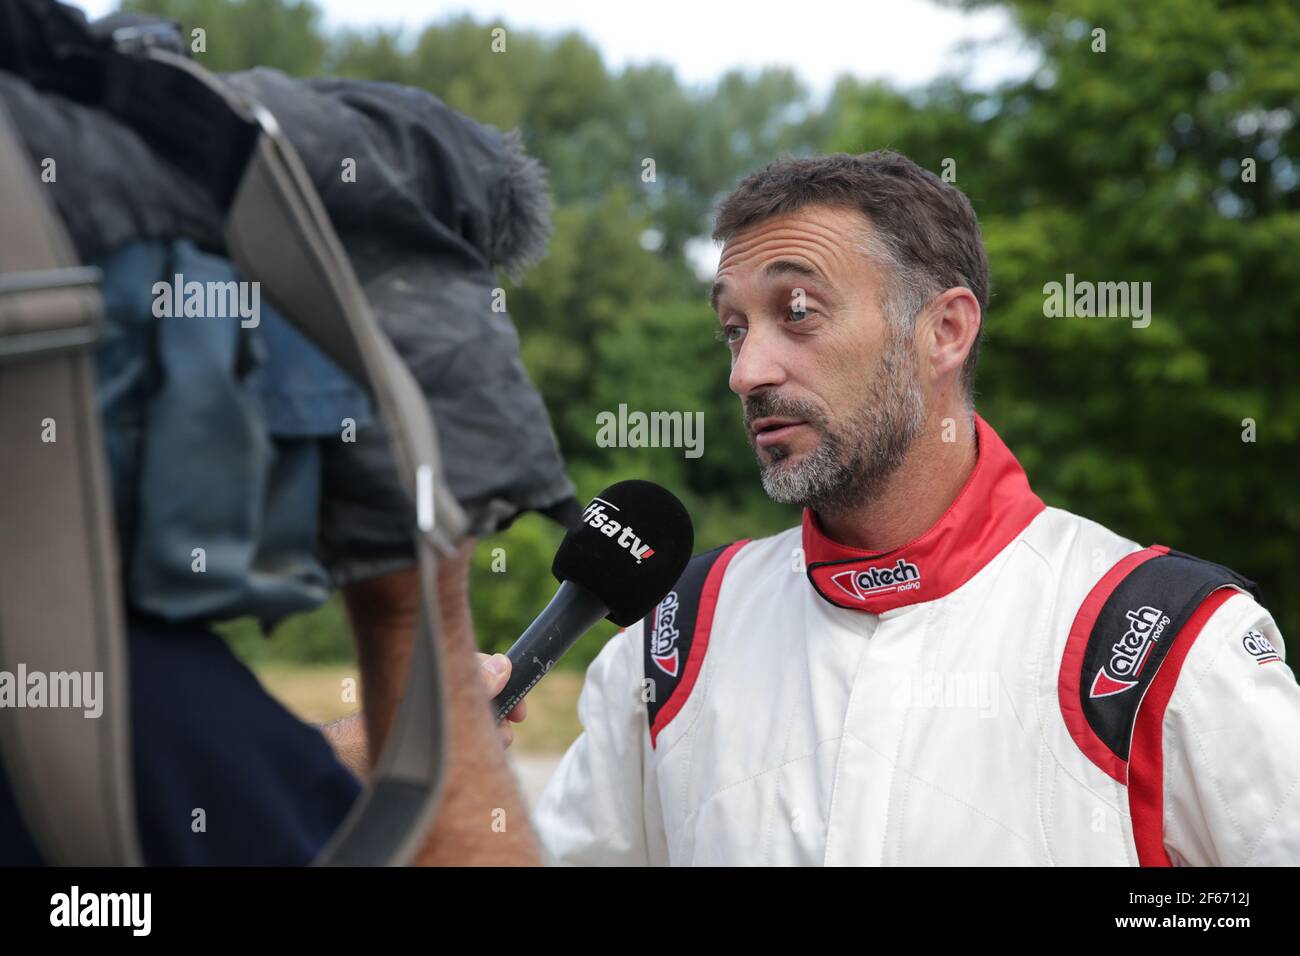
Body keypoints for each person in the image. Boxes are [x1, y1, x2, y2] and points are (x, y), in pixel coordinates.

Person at [530, 150, 1300, 866]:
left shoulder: (1169, 640)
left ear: (945, 331)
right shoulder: (669, 639)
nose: (747, 371)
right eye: (735, 328)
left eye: (797, 312)